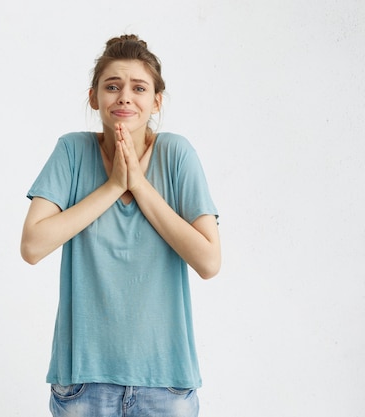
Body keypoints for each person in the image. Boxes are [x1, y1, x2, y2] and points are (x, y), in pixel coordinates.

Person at [20, 34, 221, 417]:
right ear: (94, 97)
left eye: (138, 88)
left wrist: (140, 186)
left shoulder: (176, 154)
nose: (125, 97)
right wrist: (114, 185)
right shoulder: (72, 151)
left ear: (156, 101)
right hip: (83, 381)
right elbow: (32, 246)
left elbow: (209, 261)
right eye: (112, 86)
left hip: (166, 381)